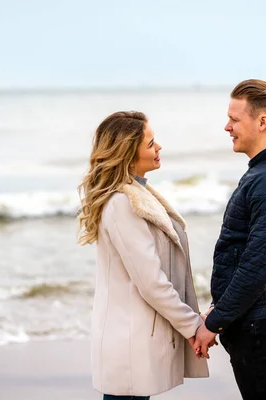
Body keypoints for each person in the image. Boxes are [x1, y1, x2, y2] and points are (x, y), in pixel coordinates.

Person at [78, 111, 209, 400]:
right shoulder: (122, 204)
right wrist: (192, 325)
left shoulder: (139, 196)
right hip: (127, 343)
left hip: (136, 338)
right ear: (128, 151)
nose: (159, 147)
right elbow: (151, 281)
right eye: (150, 143)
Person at [194, 79, 266, 400]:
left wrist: (214, 322)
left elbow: (258, 266)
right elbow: (245, 256)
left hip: (259, 323)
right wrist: (220, 311)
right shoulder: (265, 172)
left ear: (262, 122)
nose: (226, 126)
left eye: (234, 119)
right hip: (254, 318)